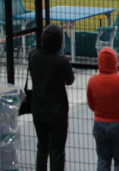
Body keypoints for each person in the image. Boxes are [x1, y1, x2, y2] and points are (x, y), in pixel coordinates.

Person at [29, 24, 75, 171]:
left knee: (42, 148)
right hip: (57, 112)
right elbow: (70, 80)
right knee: (57, 149)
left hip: (38, 109)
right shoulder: (61, 62)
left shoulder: (34, 56)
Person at [87, 47, 119, 171]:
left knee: (103, 160)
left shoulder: (92, 81)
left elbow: (92, 105)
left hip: (100, 124)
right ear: (115, 61)